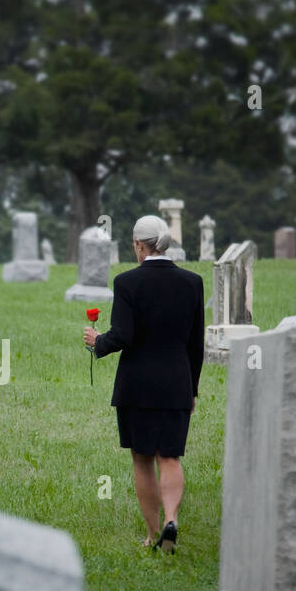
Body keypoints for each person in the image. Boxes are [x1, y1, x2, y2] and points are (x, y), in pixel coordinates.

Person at [84, 216, 204, 554]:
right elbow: (196, 345)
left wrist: (97, 340)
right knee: (170, 457)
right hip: (176, 383)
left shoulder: (127, 283)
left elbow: (124, 335)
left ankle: (153, 535)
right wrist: (191, 389)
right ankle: (171, 519)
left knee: (142, 459)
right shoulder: (192, 282)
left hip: (136, 386)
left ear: (139, 245)